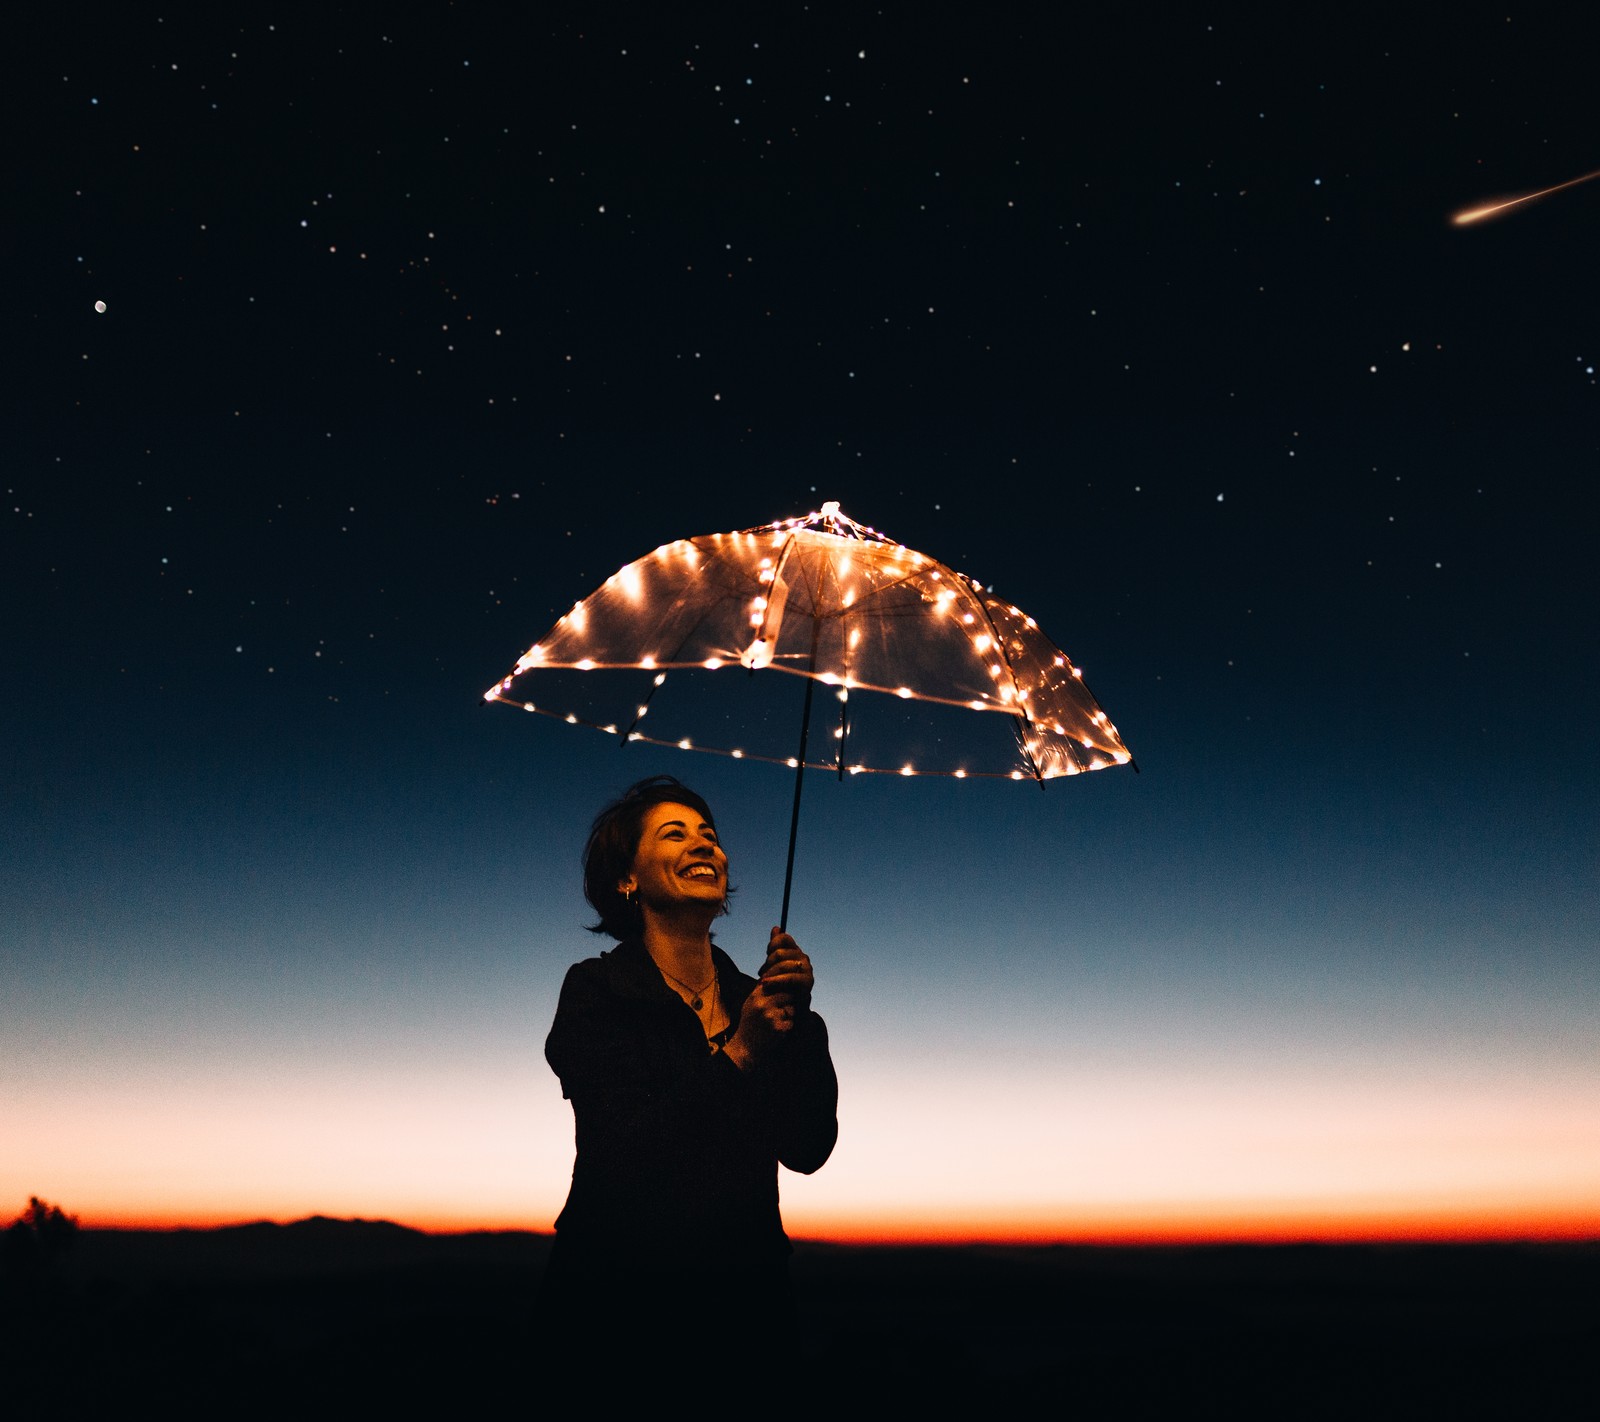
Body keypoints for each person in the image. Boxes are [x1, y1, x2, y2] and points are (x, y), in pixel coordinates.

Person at [539, 775, 839, 1358]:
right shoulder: (596, 992)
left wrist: (800, 1027)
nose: (705, 845)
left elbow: (807, 1149)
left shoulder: (758, 1002)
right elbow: (626, 1154)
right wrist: (742, 1053)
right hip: (613, 1317)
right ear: (627, 879)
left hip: (747, 1315)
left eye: (710, 835)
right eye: (674, 835)